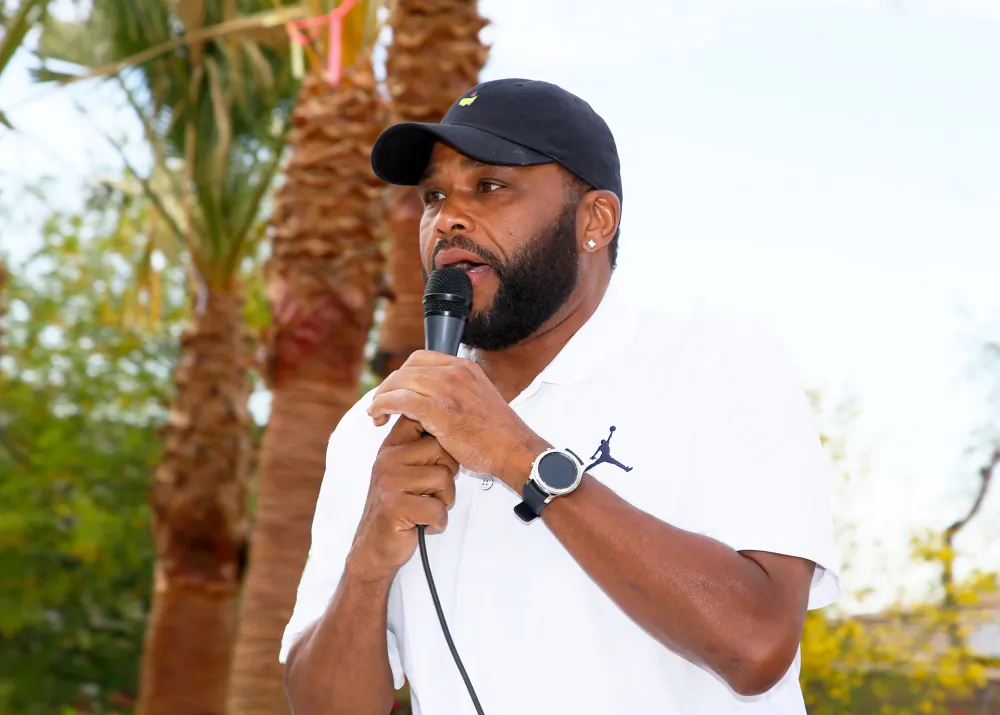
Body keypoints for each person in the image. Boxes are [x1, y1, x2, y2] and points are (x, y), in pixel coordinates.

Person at [279, 78, 840, 715]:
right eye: (434, 196)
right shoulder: (376, 426)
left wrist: (520, 455)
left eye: (489, 186)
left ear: (594, 220)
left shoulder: (719, 366)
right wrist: (367, 567)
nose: (448, 219)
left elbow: (756, 645)